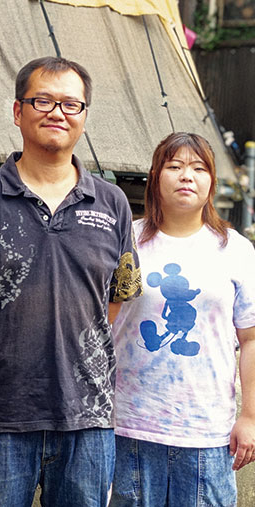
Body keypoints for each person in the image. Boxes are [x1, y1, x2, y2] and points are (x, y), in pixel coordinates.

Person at [0, 56, 142, 506]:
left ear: (83, 117)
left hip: (87, 417)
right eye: (43, 101)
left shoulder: (111, 202)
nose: (57, 113)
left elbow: (116, 296)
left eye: (71, 104)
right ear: (17, 111)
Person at [110, 132, 255, 506]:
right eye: (174, 166)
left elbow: (251, 339)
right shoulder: (126, 240)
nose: (186, 176)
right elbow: (101, 324)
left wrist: (250, 417)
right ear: (155, 177)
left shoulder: (235, 250)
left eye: (199, 168)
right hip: (130, 426)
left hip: (207, 432)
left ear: (212, 181)